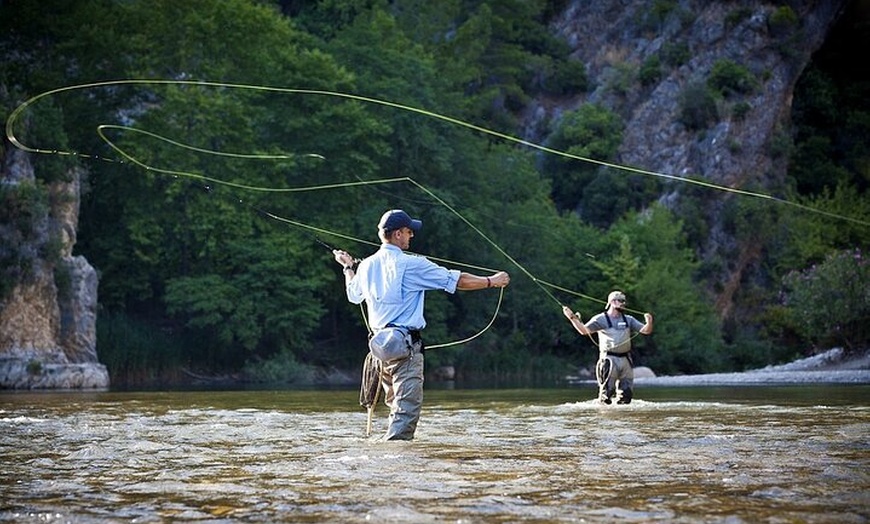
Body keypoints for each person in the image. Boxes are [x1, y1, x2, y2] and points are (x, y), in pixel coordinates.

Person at [333, 209, 510, 440]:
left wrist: (348, 268)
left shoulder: (365, 266)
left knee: (396, 407)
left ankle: (387, 461)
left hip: (381, 352)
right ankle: (396, 462)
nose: (411, 236)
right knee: (406, 413)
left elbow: (353, 295)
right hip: (405, 349)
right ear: (397, 234)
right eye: (408, 232)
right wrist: (491, 281)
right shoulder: (412, 264)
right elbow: (456, 281)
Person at [562, 291, 653, 404]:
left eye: (624, 301)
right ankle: (605, 418)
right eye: (620, 301)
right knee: (606, 395)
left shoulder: (628, 319)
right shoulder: (600, 319)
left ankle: (624, 420)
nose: (623, 303)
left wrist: (649, 322)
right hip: (608, 359)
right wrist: (572, 318)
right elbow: (583, 331)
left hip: (626, 360)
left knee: (626, 395)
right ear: (612, 302)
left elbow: (646, 330)